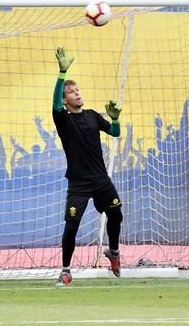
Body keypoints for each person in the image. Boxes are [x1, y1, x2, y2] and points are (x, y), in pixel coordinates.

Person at [52, 47, 123, 287]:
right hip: (79, 183)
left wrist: (114, 119)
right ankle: (65, 270)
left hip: (101, 180)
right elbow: (54, 104)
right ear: (64, 100)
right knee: (71, 225)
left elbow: (115, 132)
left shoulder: (92, 115)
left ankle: (113, 252)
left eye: (77, 90)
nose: (76, 93)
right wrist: (62, 73)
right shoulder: (63, 119)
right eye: (70, 92)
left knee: (117, 214)